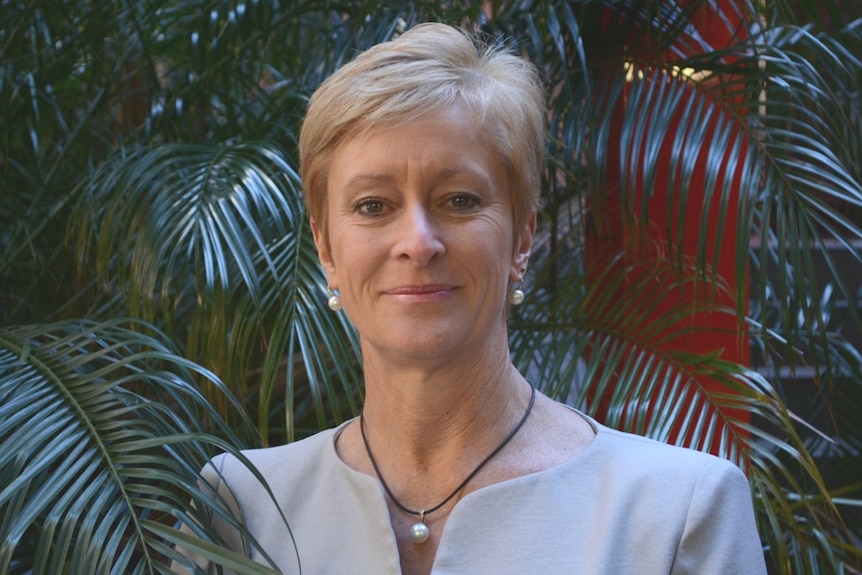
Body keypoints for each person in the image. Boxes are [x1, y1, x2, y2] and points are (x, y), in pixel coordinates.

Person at [175, 22, 767, 575]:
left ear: (522, 237)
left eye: (458, 200)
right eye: (373, 206)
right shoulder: (240, 508)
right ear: (326, 248)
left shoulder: (676, 513)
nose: (418, 243)